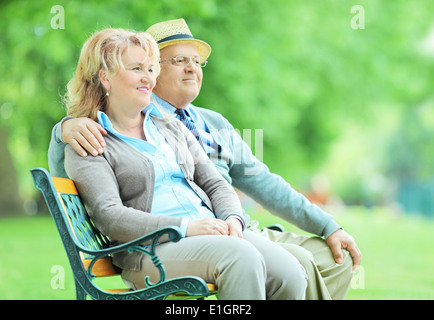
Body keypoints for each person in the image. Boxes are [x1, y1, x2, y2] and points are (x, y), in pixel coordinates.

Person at [49, 19, 361, 299]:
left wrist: (233, 220)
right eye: (137, 69)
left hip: (221, 231)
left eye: (149, 69)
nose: (147, 78)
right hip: (152, 249)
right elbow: (109, 214)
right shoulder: (88, 138)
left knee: (291, 272)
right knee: (244, 258)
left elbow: (224, 182)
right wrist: (63, 128)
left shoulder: (171, 126)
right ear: (105, 78)